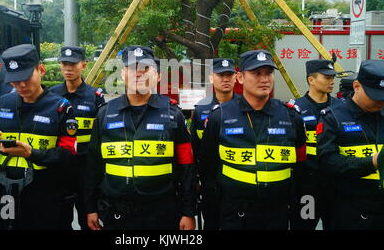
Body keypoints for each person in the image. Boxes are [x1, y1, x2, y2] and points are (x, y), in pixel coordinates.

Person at [85, 45, 197, 230]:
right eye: (133, 68)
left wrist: (188, 211)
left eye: (146, 68)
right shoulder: (105, 114)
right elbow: (92, 166)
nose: (139, 73)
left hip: (162, 212)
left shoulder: (173, 115)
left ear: (158, 76)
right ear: (123, 74)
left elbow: (187, 167)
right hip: (117, 212)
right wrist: (90, 207)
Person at [200, 50, 306, 230]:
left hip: (277, 213)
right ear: (240, 77)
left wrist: (300, 213)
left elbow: (301, 169)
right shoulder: (220, 116)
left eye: (268, 73)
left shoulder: (291, 116)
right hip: (234, 213)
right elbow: (208, 169)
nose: (264, 79)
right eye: (257, 73)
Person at [0, 44, 77, 230]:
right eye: (15, 81)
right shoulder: (1, 104)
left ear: (40, 69)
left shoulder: (60, 108)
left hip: (45, 195)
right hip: (5, 192)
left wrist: (32, 153)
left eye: (26, 78)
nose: (21, 85)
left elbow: (68, 155)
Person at [317, 60, 384, 230]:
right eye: (374, 95)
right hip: (351, 211)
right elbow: (327, 162)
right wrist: (372, 162)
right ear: (356, 86)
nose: (380, 101)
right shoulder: (333, 117)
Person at [49, 46, 105, 230]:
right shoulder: (51, 96)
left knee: (89, 219)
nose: (68, 68)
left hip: (86, 169)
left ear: (83, 65)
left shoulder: (95, 97)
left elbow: (102, 136)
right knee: (59, 220)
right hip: (60, 169)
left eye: (73, 64)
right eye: (64, 64)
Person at [290, 59, 342, 230]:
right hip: (308, 187)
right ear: (311, 80)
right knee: (304, 225)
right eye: (326, 77)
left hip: (336, 186)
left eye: (332, 77)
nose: (332, 81)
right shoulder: (296, 109)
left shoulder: (341, 108)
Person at [190, 58, 237, 230]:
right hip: (209, 182)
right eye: (220, 75)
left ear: (236, 78)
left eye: (229, 75)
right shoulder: (200, 109)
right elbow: (193, 147)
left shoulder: (245, 107)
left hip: (236, 183)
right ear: (211, 78)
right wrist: (194, 179)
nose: (225, 79)